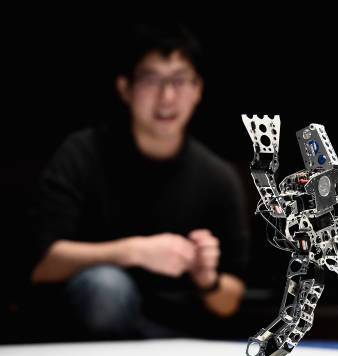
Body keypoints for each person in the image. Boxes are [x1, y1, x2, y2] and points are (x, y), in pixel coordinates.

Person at [29, 23, 249, 339]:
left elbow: (228, 302)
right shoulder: (83, 153)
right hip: (86, 331)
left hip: (174, 336)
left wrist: (207, 278)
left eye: (179, 80)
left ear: (198, 89)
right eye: (151, 80)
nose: (167, 96)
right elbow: (42, 265)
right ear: (125, 88)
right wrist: (134, 251)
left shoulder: (217, 177)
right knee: (105, 286)